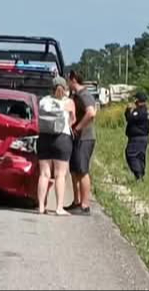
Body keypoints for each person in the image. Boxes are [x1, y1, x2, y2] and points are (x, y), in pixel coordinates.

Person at [37, 77, 76, 216]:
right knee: (60, 175)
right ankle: (59, 208)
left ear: (51, 88)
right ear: (65, 88)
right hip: (62, 139)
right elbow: (73, 120)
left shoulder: (43, 101)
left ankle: (41, 206)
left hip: (44, 138)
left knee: (44, 174)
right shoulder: (69, 102)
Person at [66, 71, 97, 215]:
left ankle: (85, 205)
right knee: (75, 170)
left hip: (85, 138)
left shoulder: (85, 94)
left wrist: (78, 128)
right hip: (77, 138)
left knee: (83, 170)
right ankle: (77, 201)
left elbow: (91, 113)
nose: (67, 83)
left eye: (68, 80)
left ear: (73, 80)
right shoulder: (75, 96)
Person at [125, 92, 149, 182]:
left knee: (131, 155)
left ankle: (138, 174)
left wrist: (128, 110)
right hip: (144, 137)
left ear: (138, 100)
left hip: (136, 138)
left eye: (135, 99)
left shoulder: (139, 111)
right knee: (140, 156)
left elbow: (129, 118)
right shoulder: (147, 111)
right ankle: (141, 175)